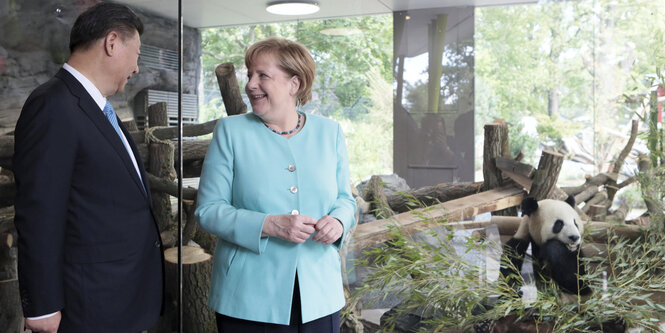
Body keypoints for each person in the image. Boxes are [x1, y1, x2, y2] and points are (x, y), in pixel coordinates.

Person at [13, 3, 163, 332]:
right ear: (112, 43)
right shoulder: (53, 105)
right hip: (87, 305)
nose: (137, 68)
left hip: (117, 297)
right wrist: (42, 306)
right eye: (136, 53)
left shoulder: (97, 108)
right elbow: (39, 212)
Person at [195, 37, 357, 333]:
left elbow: (346, 200)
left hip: (320, 295)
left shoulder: (330, 133)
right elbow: (208, 210)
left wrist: (338, 221)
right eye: (249, 74)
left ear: (294, 84)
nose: (250, 84)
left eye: (262, 75)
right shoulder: (230, 132)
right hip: (246, 297)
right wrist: (269, 225)